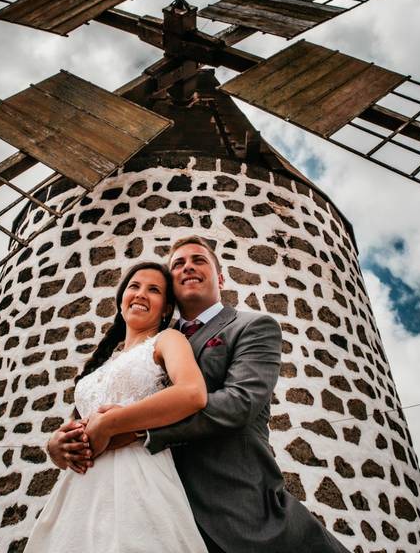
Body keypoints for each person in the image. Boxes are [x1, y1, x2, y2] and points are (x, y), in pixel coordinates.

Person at [48, 235, 351, 553]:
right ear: (172, 289)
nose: (187, 267)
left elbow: (238, 403)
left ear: (219, 277)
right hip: (149, 502)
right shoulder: (151, 341)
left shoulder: (250, 326)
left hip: (234, 506)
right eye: (178, 264)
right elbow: (94, 412)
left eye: (199, 260)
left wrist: (137, 430)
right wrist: (59, 445)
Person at [26, 261, 210, 552]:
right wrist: (56, 446)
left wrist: (113, 422)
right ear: (121, 299)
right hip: (78, 490)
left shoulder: (167, 340)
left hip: (136, 479)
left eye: (154, 290)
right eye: (134, 287)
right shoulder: (101, 363)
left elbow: (192, 393)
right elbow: (77, 423)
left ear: (165, 309)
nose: (140, 294)